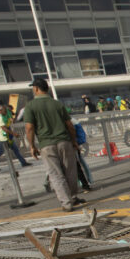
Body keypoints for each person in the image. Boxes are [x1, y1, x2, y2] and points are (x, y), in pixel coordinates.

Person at [23, 79, 84, 212]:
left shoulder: (31, 106)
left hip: (47, 144)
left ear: (36, 89)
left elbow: (29, 128)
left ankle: (67, 202)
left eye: (33, 87)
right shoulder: (57, 104)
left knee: (56, 174)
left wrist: (32, 145)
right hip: (65, 141)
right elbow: (70, 125)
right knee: (70, 171)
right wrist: (74, 141)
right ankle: (73, 196)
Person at [0, 104, 30, 172]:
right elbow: (4, 129)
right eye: (5, 111)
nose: (6, 112)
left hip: (7, 137)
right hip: (2, 138)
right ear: (0, 111)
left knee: (15, 149)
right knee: (0, 151)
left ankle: (23, 162)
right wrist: (14, 134)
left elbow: (9, 120)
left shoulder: (4, 115)